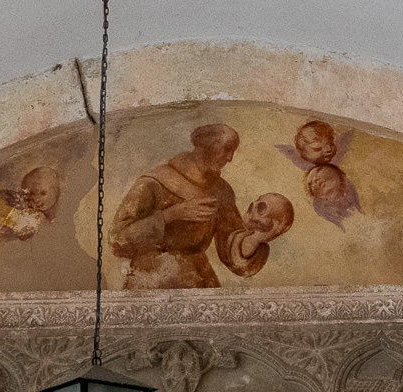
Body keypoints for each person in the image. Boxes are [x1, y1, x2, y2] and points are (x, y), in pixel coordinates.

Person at [110, 124, 282, 289]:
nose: (230, 158)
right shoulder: (154, 182)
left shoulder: (221, 190)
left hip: (198, 277)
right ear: (205, 148)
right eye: (227, 149)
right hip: (150, 278)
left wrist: (257, 238)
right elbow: (118, 239)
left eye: (233, 151)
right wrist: (170, 215)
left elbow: (230, 244)